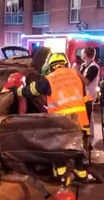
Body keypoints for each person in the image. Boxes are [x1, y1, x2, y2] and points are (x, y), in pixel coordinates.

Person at [13, 53, 90, 184]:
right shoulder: (75, 76)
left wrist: (17, 91)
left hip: (62, 123)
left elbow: (32, 90)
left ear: (51, 66)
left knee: (59, 151)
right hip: (82, 121)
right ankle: (81, 175)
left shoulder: (50, 78)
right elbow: (83, 97)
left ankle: (61, 177)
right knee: (80, 150)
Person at [77, 47, 100, 141]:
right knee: (85, 116)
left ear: (85, 54)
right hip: (83, 95)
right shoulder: (84, 65)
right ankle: (87, 135)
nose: (81, 54)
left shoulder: (94, 67)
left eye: (82, 52)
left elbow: (86, 81)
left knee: (88, 116)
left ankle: (89, 137)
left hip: (89, 95)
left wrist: (77, 72)